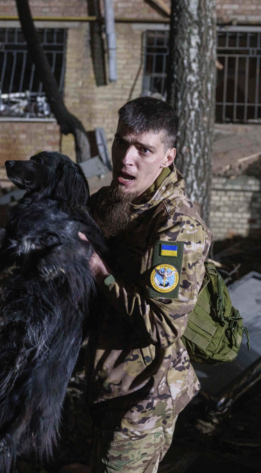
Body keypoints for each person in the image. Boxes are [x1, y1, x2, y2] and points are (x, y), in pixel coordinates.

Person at [83, 97, 212, 473]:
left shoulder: (177, 230)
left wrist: (100, 273)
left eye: (144, 149)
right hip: (109, 382)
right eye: (122, 142)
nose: (127, 159)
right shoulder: (111, 201)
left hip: (145, 398)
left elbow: (163, 325)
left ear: (168, 158)